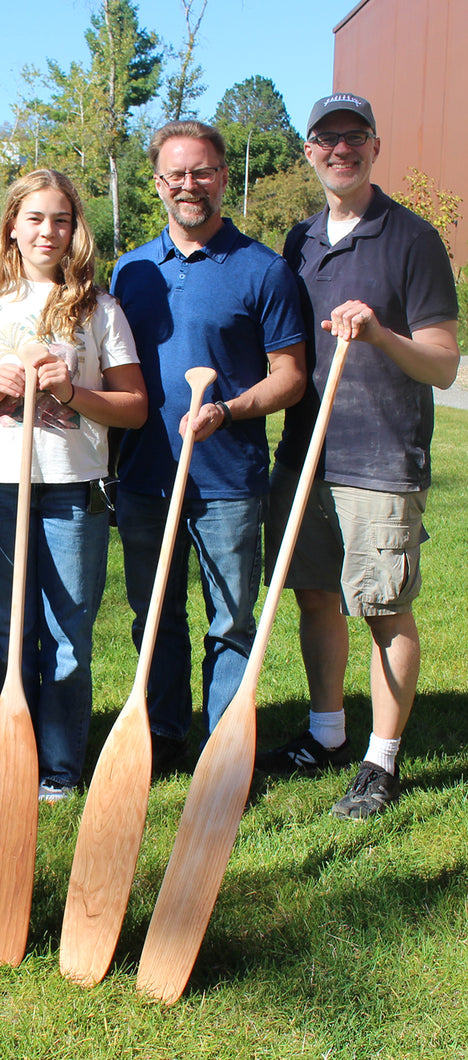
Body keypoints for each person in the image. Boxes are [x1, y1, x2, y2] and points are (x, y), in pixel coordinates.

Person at [256, 93, 460, 819]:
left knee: (382, 607)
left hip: (380, 459)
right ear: (308, 151)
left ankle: (382, 759)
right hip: (303, 453)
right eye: (326, 138)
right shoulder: (298, 240)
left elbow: (442, 364)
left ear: (375, 146)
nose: (340, 148)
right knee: (313, 596)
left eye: (354, 137)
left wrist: (378, 335)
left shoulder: (412, 239)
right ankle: (328, 733)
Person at [111, 121, 307, 776]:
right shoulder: (131, 270)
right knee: (154, 614)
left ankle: (226, 750)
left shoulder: (264, 270)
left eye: (202, 171)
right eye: (176, 174)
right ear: (158, 183)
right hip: (145, 477)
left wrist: (229, 408)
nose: (188, 185)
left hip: (228, 480)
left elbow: (291, 376)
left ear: (223, 176)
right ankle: (163, 732)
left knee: (229, 620)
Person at [0, 169, 148, 802]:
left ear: (75, 229)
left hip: (75, 491)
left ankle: (61, 772)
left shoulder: (100, 308)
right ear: (12, 225)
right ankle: (11, 757)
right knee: (6, 632)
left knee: (68, 635)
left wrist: (70, 391)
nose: (49, 230)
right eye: (35, 218)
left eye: (61, 219)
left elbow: (134, 407)